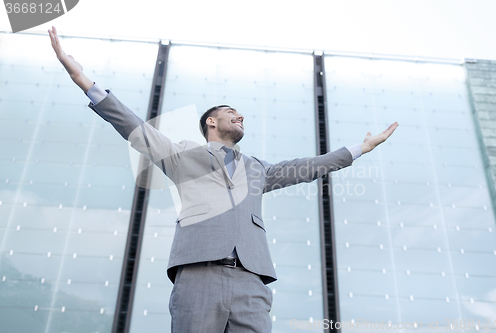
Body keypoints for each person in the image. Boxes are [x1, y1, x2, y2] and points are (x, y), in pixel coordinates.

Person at [48, 26, 398, 332]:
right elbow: (131, 125)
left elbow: (308, 167)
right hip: (198, 275)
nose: (239, 115)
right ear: (211, 123)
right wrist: (84, 81)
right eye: (231, 113)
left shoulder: (258, 169)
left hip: (252, 280)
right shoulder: (182, 156)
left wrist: (359, 149)